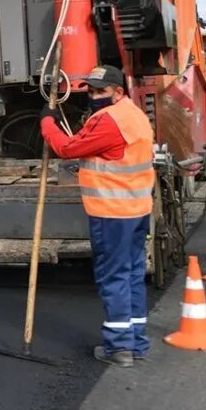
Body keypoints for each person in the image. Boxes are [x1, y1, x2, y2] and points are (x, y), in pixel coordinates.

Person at [40, 64, 154, 367]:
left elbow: (66, 148)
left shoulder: (109, 121)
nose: (93, 95)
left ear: (118, 92)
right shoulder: (135, 115)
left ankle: (119, 349)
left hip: (112, 213)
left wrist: (47, 122)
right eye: (90, 90)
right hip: (136, 210)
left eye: (100, 91)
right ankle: (137, 342)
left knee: (113, 278)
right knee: (131, 276)